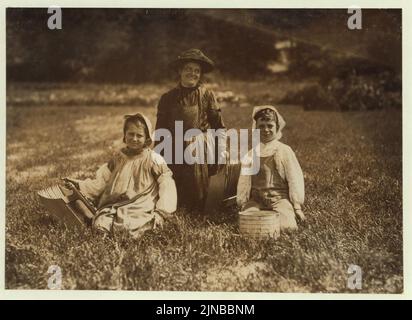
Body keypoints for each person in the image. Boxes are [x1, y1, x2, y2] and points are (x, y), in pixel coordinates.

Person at [67, 113, 177, 238]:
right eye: (131, 134)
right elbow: (102, 181)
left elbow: (167, 184)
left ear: (147, 138)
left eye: (139, 135)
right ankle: (98, 223)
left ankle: (136, 228)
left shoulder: (154, 159)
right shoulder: (118, 158)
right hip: (114, 205)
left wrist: (162, 211)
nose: (134, 139)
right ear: (125, 135)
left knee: (131, 227)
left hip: (140, 206)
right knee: (100, 224)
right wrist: (80, 185)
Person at [155, 48, 226, 212]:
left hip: (199, 147)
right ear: (180, 71)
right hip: (173, 146)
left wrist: (221, 151)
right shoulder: (167, 98)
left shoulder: (207, 95)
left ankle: (197, 207)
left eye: (197, 71)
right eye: (188, 69)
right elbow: (160, 130)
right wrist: (158, 157)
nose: (192, 73)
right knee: (172, 190)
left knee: (197, 192)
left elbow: (219, 126)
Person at [236, 106, 305, 230]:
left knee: (286, 226)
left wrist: (297, 206)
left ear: (277, 127)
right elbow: (244, 181)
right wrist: (243, 202)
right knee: (249, 224)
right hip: (256, 200)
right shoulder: (251, 154)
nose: (266, 130)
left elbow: (294, 178)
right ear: (255, 129)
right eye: (261, 126)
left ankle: (285, 216)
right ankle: (254, 216)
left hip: (279, 199)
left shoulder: (284, 151)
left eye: (270, 125)